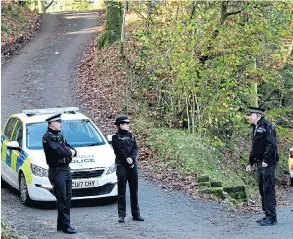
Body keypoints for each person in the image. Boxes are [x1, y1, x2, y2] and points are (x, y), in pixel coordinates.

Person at [42, 113, 77, 234]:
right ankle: (66, 226)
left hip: (66, 169)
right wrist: (70, 152)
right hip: (56, 171)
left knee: (67, 198)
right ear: (52, 124)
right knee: (62, 198)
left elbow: (69, 147)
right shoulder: (48, 137)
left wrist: (71, 151)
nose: (61, 124)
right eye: (58, 122)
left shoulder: (59, 135)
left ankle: (61, 224)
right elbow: (59, 151)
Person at [246, 107, 278, 226]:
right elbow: (255, 147)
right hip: (260, 162)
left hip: (268, 163)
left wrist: (266, 159)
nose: (249, 116)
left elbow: (271, 144)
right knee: (261, 188)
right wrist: (250, 162)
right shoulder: (255, 127)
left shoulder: (268, 126)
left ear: (258, 116)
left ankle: (272, 217)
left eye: (251, 114)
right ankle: (266, 214)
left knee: (268, 189)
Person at [112, 115, 144, 223]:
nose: (128, 125)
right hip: (122, 165)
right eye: (126, 124)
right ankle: (122, 215)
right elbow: (119, 150)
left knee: (134, 190)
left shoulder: (131, 135)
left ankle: (136, 214)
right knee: (122, 191)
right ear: (121, 125)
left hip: (132, 165)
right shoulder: (115, 137)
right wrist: (127, 159)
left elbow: (135, 148)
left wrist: (132, 158)